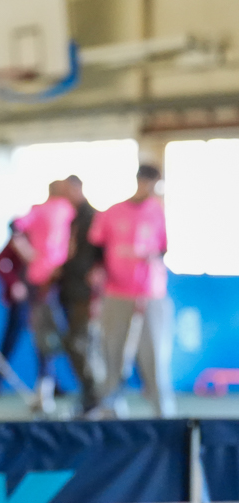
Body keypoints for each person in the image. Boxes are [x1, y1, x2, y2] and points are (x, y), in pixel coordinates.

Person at [87, 164, 174, 418]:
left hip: (151, 293)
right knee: (112, 351)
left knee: (154, 354)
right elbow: (96, 247)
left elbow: (163, 248)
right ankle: (110, 407)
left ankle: (162, 411)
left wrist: (151, 257)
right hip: (116, 291)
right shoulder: (112, 212)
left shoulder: (158, 211)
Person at [12, 180, 76, 412]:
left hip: (56, 281)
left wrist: (30, 255)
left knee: (48, 336)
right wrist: (32, 256)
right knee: (50, 335)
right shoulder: (58, 209)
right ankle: (46, 390)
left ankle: (48, 389)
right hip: (46, 282)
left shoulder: (48, 210)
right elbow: (15, 229)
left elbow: (14, 228)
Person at [56, 174, 105, 415]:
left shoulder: (93, 217)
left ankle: (97, 396)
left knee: (81, 343)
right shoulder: (72, 218)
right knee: (74, 343)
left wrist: (97, 279)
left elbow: (98, 255)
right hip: (70, 289)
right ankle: (92, 396)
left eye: (67, 190)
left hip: (86, 293)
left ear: (78, 189)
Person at [0, 224, 32, 395]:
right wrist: (13, 283)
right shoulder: (19, 238)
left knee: (45, 340)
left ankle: (50, 382)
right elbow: (0, 261)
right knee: (11, 340)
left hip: (42, 294)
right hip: (22, 299)